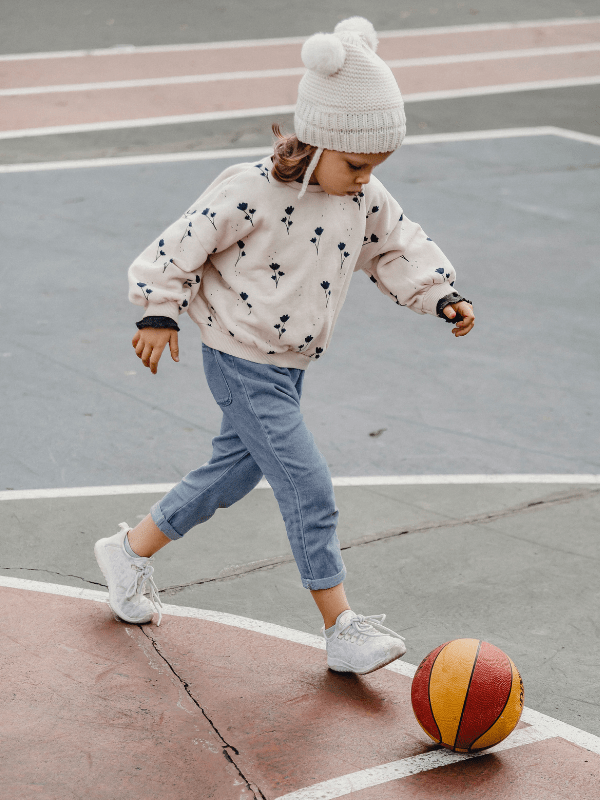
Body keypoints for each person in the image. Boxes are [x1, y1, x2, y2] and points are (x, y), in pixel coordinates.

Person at [94, 16, 474, 675]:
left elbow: (397, 248)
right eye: (357, 162)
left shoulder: (361, 195)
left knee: (232, 474)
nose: (365, 177)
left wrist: (439, 293)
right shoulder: (249, 191)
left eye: (375, 166)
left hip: (291, 366)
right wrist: (160, 312)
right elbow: (180, 244)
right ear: (321, 139)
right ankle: (341, 626)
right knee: (307, 483)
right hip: (240, 360)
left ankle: (128, 551)